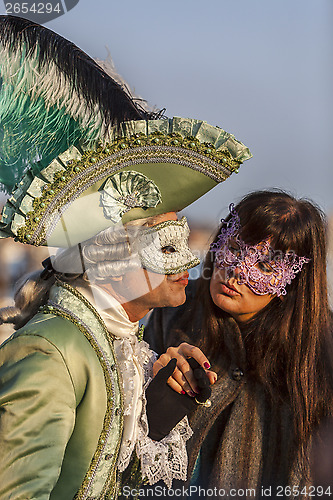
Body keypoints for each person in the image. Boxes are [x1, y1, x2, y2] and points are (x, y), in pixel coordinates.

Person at [0, 16, 252, 498]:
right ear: (113, 256)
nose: (187, 264)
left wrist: (158, 403)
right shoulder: (51, 353)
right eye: (168, 243)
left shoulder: (121, 347)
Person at [145, 190, 333, 499]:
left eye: (266, 267)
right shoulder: (175, 310)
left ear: (293, 281)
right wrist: (155, 378)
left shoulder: (322, 350)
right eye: (234, 248)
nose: (236, 272)